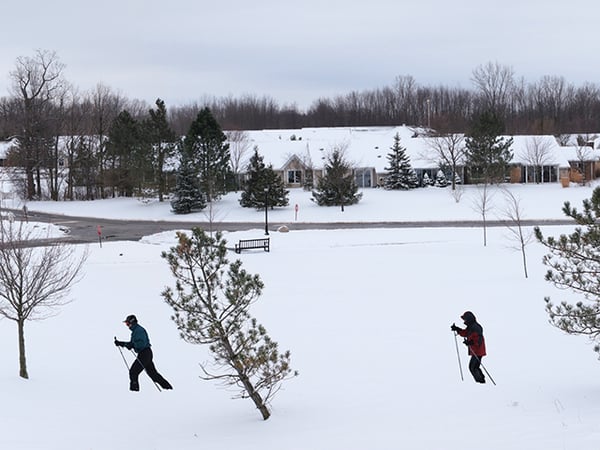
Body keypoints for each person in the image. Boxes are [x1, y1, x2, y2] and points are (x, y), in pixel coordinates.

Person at [114, 314, 173, 391]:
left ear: (132, 322)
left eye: (127, 323)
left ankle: (134, 391)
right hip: (146, 353)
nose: (127, 325)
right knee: (153, 373)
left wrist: (130, 345)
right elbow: (133, 344)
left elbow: (140, 344)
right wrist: (122, 343)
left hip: (144, 353)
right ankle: (168, 388)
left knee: (133, 372)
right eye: (126, 324)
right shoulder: (136, 331)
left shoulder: (139, 330)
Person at [451, 311, 486, 383]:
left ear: (469, 319)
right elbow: (465, 333)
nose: (464, 321)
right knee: (474, 367)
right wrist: (457, 329)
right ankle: (481, 380)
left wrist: (470, 342)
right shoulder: (470, 327)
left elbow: (478, 340)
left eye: (465, 319)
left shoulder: (476, 327)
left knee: (472, 367)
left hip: (478, 351)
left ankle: (481, 381)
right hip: (475, 351)